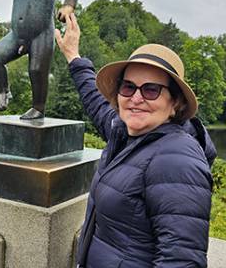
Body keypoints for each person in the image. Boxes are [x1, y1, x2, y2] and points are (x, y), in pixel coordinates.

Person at [55, 14, 217, 267]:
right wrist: (74, 57)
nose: (136, 97)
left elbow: (181, 261)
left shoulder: (177, 159)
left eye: (151, 89)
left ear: (175, 102)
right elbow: (96, 102)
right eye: (128, 87)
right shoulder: (127, 135)